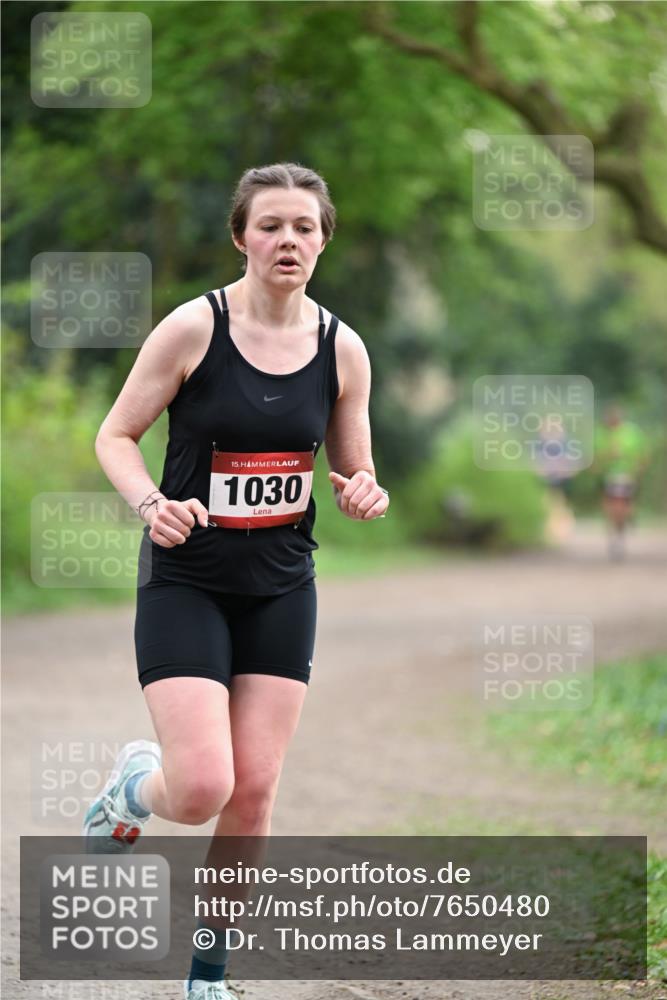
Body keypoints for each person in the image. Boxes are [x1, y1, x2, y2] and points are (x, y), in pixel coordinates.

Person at [82, 162, 389, 1000]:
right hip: (187, 579)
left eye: (304, 227)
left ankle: (207, 976)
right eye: (270, 225)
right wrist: (151, 504)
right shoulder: (193, 328)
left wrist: (364, 491)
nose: (288, 240)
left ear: (323, 241)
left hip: (282, 586)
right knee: (200, 789)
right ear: (240, 237)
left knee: (251, 792)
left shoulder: (342, 348)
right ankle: (133, 788)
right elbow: (115, 435)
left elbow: (354, 468)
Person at [592, 403, 650, 560]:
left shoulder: (632, 432)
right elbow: (594, 459)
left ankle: (622, 527)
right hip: (608, 476)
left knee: (622, 505)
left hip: (626, 475)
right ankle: (615, 534)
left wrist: (638, 468)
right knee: (611, 507)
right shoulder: (600, 434)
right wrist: (607, 456)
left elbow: (643, 454)